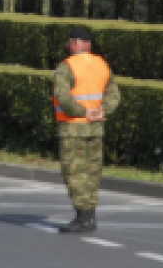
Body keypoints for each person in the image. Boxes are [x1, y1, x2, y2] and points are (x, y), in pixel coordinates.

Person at [53, 27, 120, 234]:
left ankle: (82, 218)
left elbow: (63, 97)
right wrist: (100, 111)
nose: (68, 46)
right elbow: (115, 95)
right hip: (96, 128)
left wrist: (84, 112)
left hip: (73, 128)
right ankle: (90, 218)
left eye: (69, 42)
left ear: (76, 43)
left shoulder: (67, 67)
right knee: (92, 173)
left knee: (74, 173)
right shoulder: (102, 65)